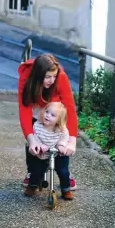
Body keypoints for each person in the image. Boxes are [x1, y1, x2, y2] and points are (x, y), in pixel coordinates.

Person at [18, 54, 78, 190]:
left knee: (60, 139)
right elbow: (24, 108)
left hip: (53, 106)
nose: (52, 80)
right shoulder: (26, 76)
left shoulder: (60, 76)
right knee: (35, 141)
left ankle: (65, 173)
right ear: (38, 75)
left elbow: (70, 108)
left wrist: (72, 142)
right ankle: (33, 171)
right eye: (47, 77)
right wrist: (31, 139)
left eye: (54, 76)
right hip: (36, 107)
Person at [25, 102, 73, 199]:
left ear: (58, 120)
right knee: (36, 170)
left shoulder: (62, 130)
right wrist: (39, 145)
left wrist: (61, 146)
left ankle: (66, 190)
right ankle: (33, 185)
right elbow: (34, 137)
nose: (48, 116)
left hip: (57, 154)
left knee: (63, 171)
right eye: (47, 112)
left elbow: (63, 139)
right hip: (42, 153)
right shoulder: (38, 126)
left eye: (52, 115)